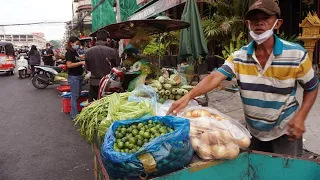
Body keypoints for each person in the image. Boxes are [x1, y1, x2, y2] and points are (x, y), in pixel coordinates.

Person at [167, 0, 319, 156]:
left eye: (265, 18)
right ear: (248, 24)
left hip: (285, 131)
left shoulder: (296, 54)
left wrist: (301, 117)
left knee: (287, 172)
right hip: (253, 130)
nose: (259, 23)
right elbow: (214, 77)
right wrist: (188, 96)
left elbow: (312, 87)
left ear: (278, 23)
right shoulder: (240, 56)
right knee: (256, 170)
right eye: (254, 20)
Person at [85, 30, 120, 102]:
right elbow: (117, 67)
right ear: (107, 39)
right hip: (108, 84)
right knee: (108, 105)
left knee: (93, 105)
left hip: (94, 83)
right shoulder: (112, 51)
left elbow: (87, 68)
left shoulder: (88, 52)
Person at [65, 36, 85, 119]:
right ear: (71, 43)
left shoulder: (74, 52)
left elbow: (75, 59)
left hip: (78, 76)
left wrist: (80, 58)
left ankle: (74, 111)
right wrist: (81, 63)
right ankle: (74, 115)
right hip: (74, 77)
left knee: (77, 95)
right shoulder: (69, 52)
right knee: (74, 96)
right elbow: (69, 65)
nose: (78, 45)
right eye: (76, 44)